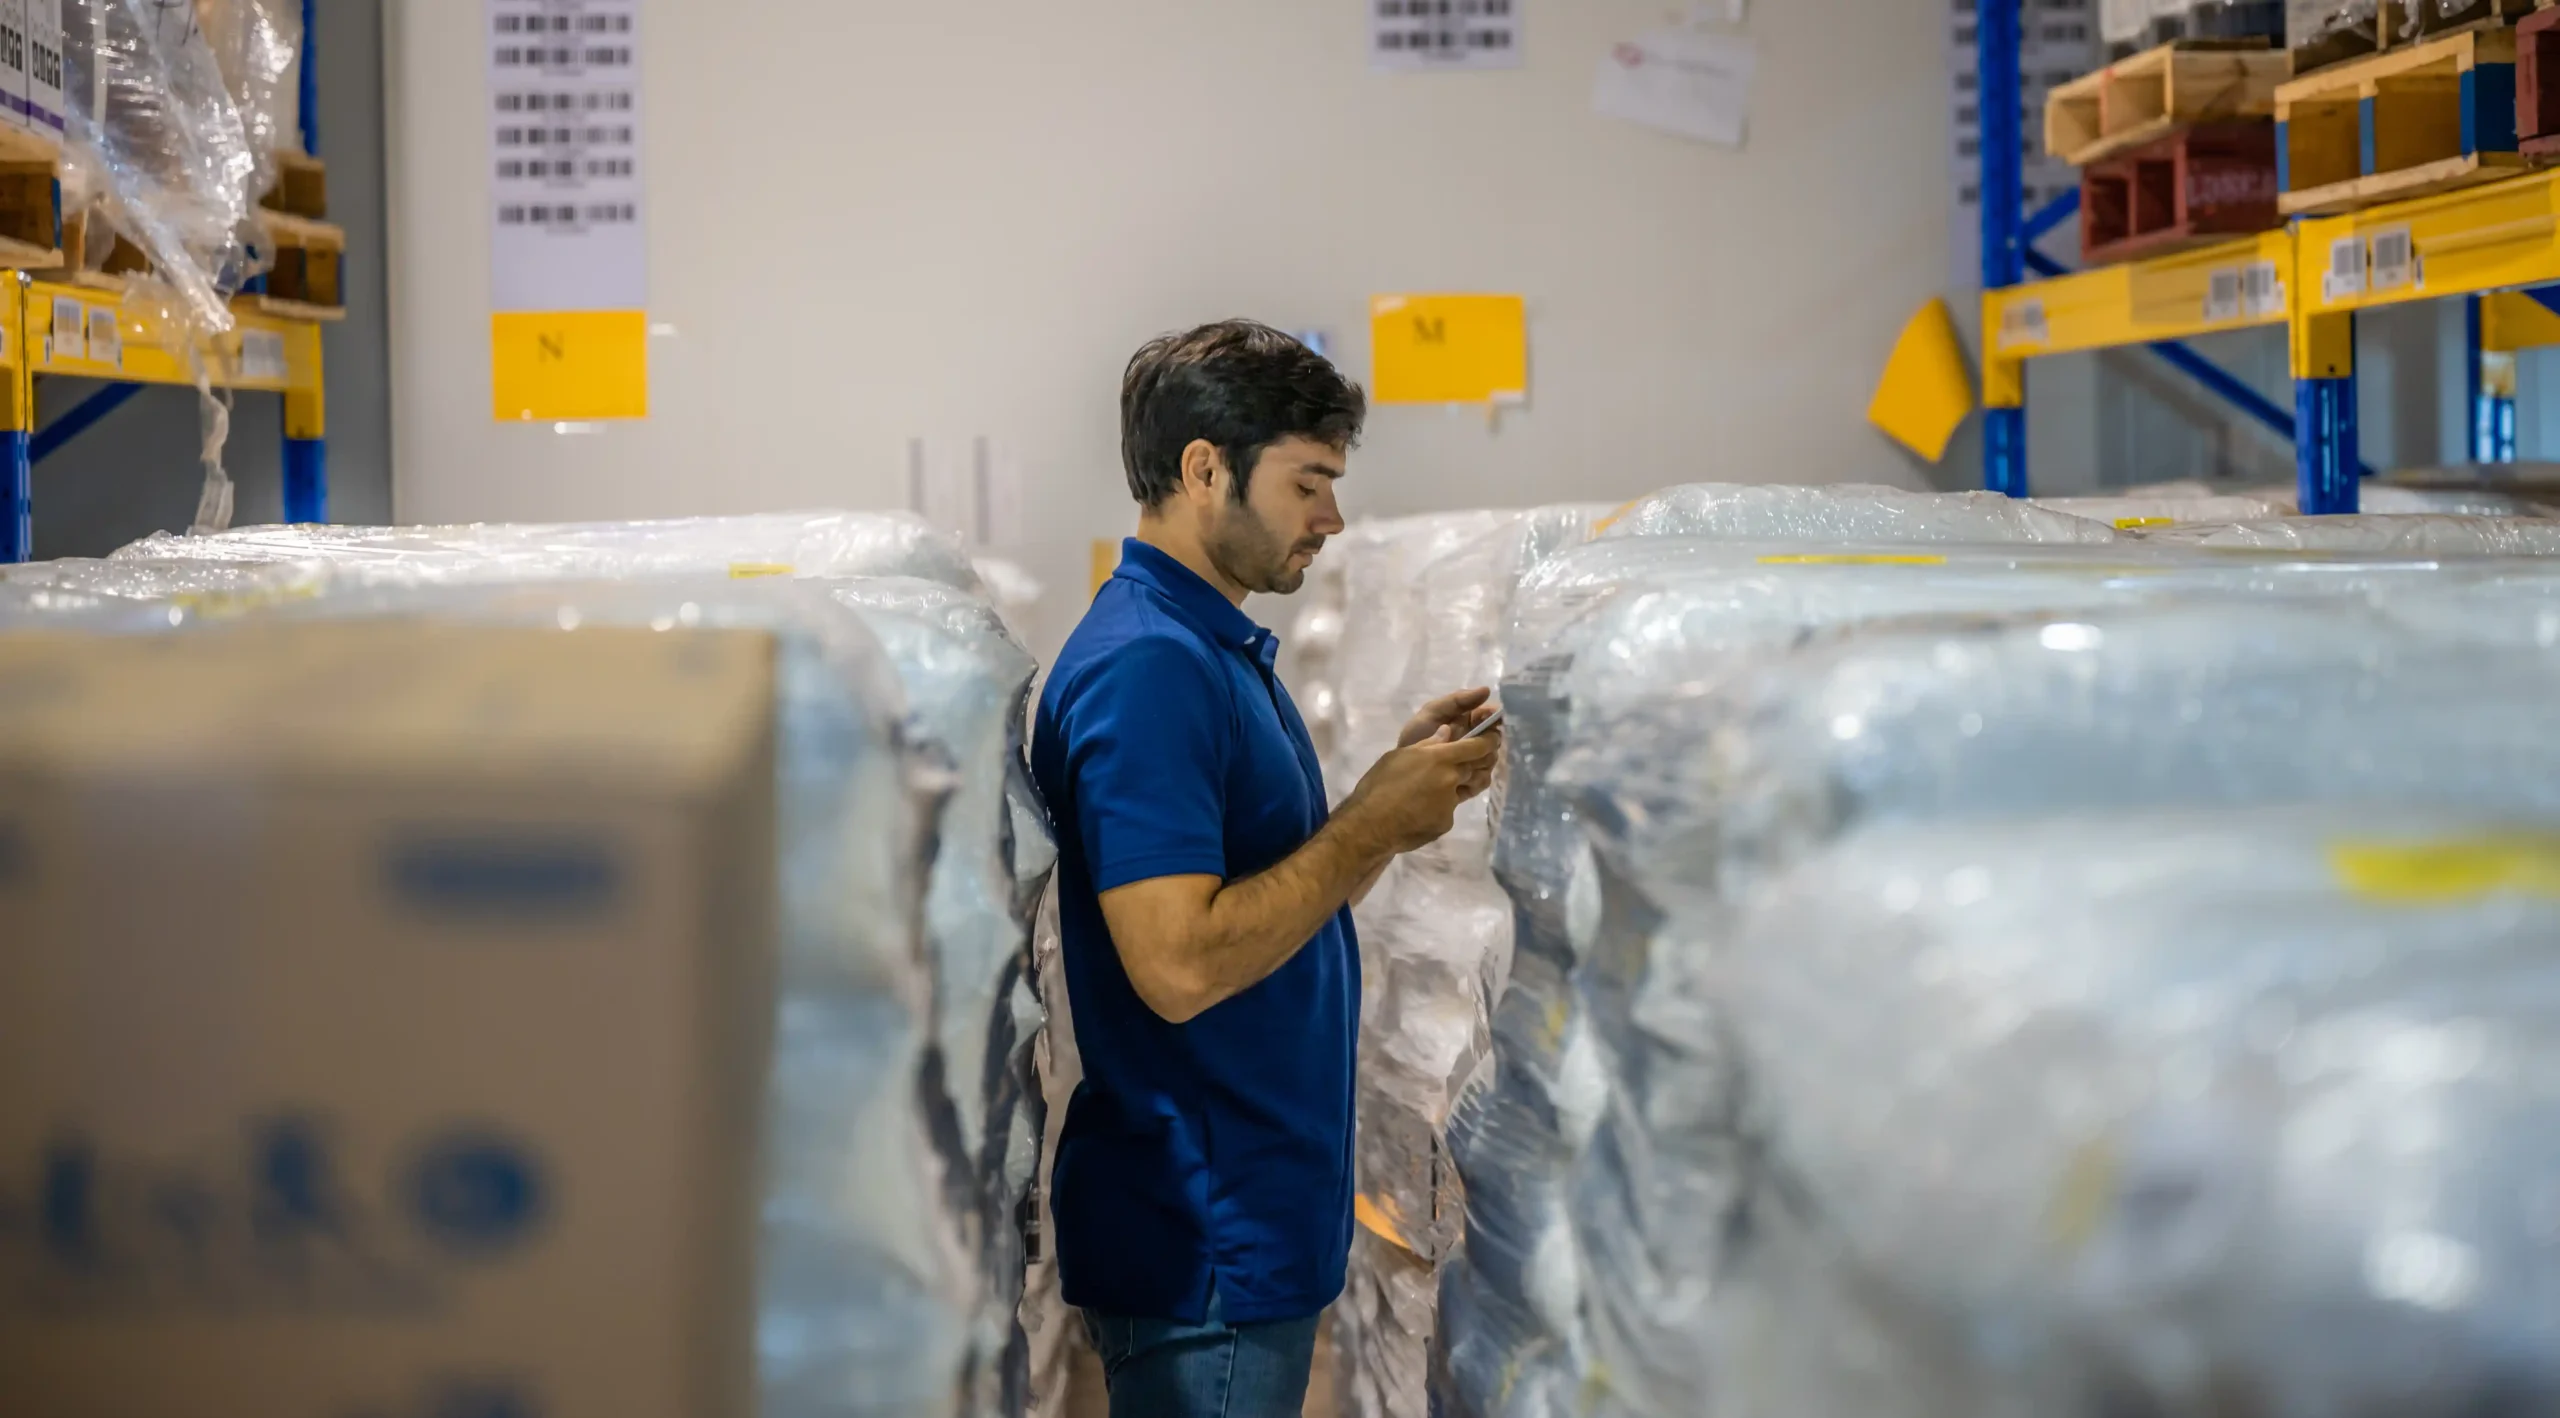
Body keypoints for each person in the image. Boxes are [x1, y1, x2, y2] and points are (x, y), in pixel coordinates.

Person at [1032, 320, 1500, 1417]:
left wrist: (1387, 807)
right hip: (1206, 1250)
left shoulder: (1210, 650)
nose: (1331, 518)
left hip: (1244, 1234)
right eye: (1308, 483)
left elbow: (1274, 903)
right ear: (1205, 469)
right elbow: (1178, 962)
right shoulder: (1151, 667)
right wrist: (1362, 827)